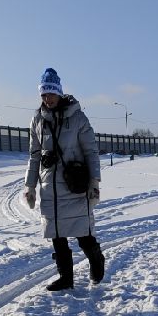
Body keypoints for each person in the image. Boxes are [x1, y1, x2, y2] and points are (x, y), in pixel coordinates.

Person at [24, 68, 104, 291]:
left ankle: (97, 260)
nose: (46, 99)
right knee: (57, 234)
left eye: (50, 94)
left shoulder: (77, 117)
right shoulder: (37, 120)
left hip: (75, 185)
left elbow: (91, 151)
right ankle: (66, 278)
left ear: (59, 93)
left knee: (82, 233)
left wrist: (94, 182)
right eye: (43, 94)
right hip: (50, 187)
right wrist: (30, 185)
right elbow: (34, 155)